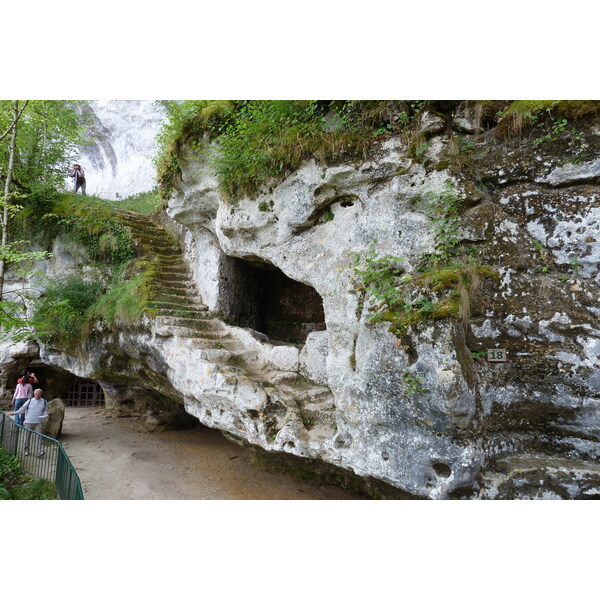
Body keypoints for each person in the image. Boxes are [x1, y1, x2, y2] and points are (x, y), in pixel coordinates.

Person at [8, 389, 49, 457]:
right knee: (27, 437)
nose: (37, 395)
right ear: (34, 394)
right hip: (29, 421)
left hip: (39, 422)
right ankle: (26, 450)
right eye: (36, 394)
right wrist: (14, 413)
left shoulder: (44, 401)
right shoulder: (30, 401)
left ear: (41, 394)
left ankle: (39, 451)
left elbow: (46, 410)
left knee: (39, 437)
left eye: (38, 394)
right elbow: (23, 409)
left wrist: (45, 413)